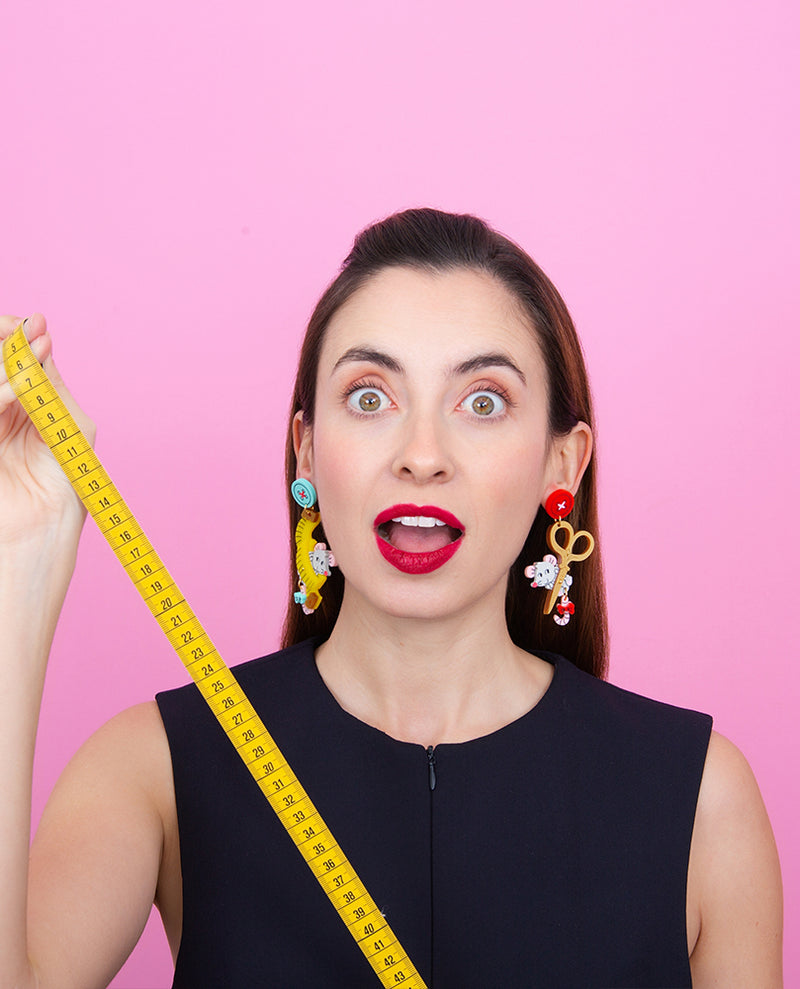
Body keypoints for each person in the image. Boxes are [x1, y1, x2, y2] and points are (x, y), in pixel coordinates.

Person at [0, 208, 783, 988]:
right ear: (307, 446)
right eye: (371, 397)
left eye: (483, 401)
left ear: (562, 464)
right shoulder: (153, 768)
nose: (421, 456)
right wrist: (17, 568)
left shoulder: (703, 800)